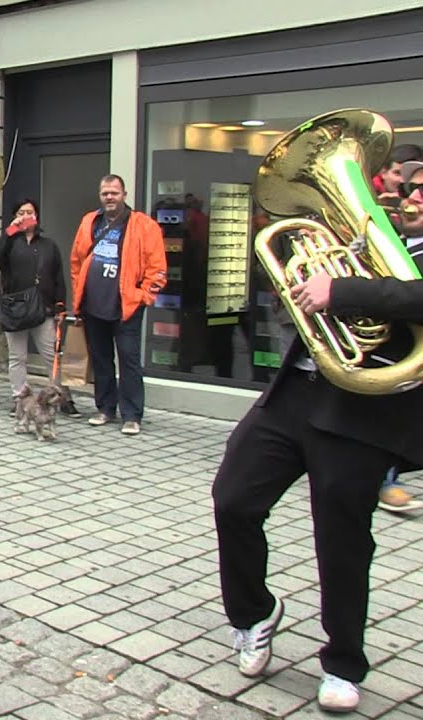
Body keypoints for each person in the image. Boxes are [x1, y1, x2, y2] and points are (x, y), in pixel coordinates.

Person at [213, 268, 423, 714]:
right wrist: (301, 290)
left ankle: (343, 662)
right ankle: (253, 616)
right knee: (233, 498)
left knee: (340, 539)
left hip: (366, 405)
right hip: (297, 387)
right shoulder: (356, 230)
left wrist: (341, 290)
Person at [68, 174, 167, 435]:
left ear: (124, 194)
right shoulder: (90, 221)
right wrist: (79, 295)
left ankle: (132, 415)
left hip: (126, 307)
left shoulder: (144, 226)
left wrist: (143, 297)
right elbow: (77, 261)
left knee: (129, 361)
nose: (109, 197)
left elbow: (157, 270)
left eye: (114, 192)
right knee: (101, 360)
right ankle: (105, 408)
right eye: (105, 193)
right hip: (93, 306)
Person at [0, 197, 80, 418]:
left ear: (36, 216)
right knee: (17, 357)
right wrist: (10, 231)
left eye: (30, 212)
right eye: (21, 212)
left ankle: (61, 397)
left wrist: (60, 305)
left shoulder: (49, 245)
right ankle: (20, 399)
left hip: (43, 308)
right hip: (16, 308)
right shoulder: (9, 242)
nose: (26, 216)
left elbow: (58, 275)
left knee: (51, 356)